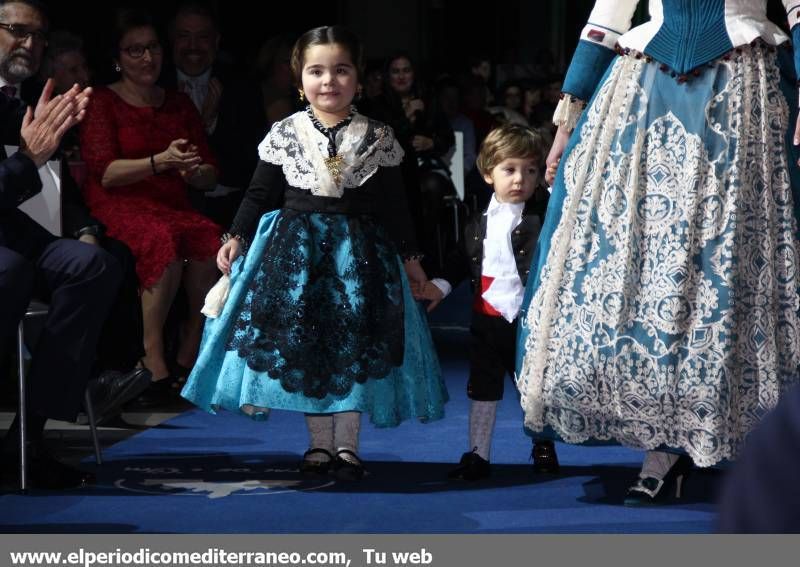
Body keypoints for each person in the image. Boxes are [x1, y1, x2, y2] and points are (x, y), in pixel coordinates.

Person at [516, 0, 800, 506]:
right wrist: (566, 123)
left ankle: (717, 435)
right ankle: (663, 447)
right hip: (644, 93)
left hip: (742, 92)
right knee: (643, 268)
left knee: (723, 266)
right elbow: (607, 19)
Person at [181, 25, 447, 481]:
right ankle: (318, 446)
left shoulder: (378, 136)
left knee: (354, 346)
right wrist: (236, 236)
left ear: (358, 79)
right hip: (296, 257)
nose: (329, 81)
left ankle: (348, 447)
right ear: (298, 78)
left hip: (360, 258)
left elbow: (396, 208)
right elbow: (259, 192)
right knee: (309, 348)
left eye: (341, 70)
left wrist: (412, 259)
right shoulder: (284, 132)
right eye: (317, 71)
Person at [79, 8, 221, 406]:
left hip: (172, 202)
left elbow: (209, 169)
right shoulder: (102, 101)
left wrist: (196, 172)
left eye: (153, 48)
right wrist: (160, 161)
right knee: (164, 238)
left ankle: (188, 355)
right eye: (134, 50)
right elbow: (105, 172)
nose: (147, 58)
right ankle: (151, 363)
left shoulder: (177, 104)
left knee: (212, 240)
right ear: (118, 58)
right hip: (119, 203)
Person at [414, 124, 556, 480]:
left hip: (529, 325)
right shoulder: (476, 221)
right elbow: (462, 260)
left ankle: (543, 446)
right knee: (481, 392)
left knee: (534, 392)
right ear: (487, 173)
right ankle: (478, 453)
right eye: (509, 169)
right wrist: (440, 285)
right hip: (485, 322)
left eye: (530, 170)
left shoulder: (547, 218)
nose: (520, 179)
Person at [164, 1, 265, 229]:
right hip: (169, 208)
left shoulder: (242, 86)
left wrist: (211, 126)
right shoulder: (155, 85)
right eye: (184, 36)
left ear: (216, 41)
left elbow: (251, 161)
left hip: (231, 207)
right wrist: (202, 124)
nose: (193, 46)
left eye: (202, 37)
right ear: (172, 40)